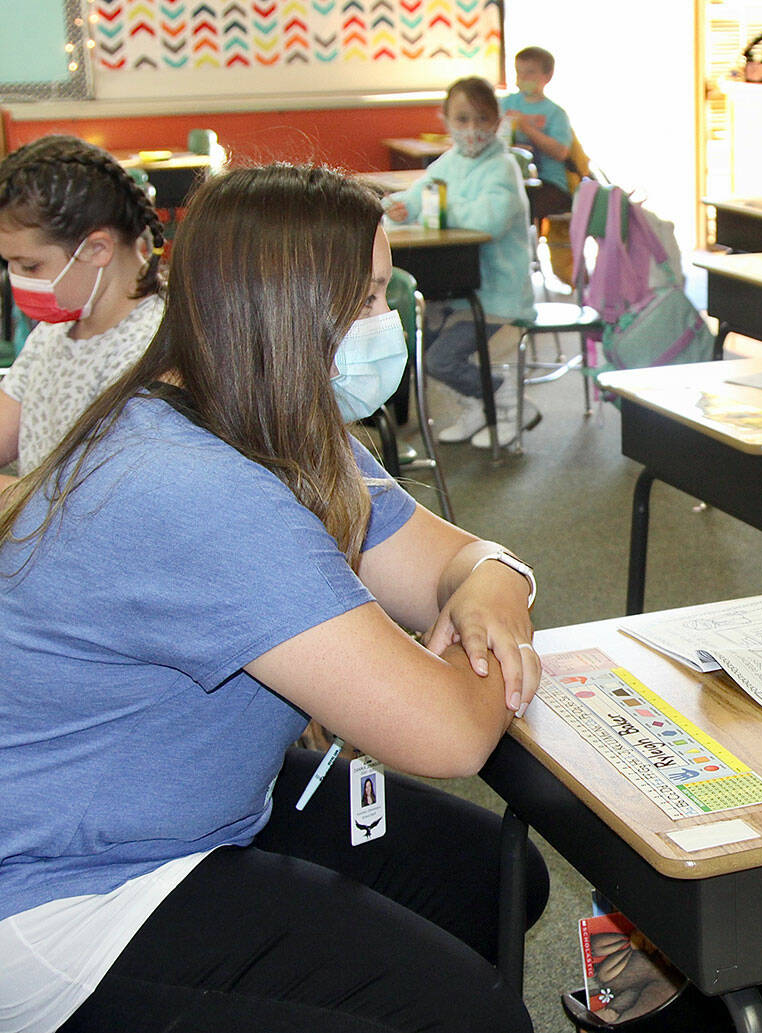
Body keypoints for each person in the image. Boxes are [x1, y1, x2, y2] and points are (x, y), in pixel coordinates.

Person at [0, 163, 549, 1033]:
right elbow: (451, 730)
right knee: (472, 1019)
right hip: (64, 897)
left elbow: (462, 559)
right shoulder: (188, 486)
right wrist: (489, 622)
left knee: (491, 875)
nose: (386, 323)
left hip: (186, 807)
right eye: (365, 299)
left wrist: (492, 584)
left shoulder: (274, 426)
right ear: (284, 312)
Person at [0, 134, 166, 486]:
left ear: (97, 249)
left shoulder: (153, 349)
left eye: (29, 266)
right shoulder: (58, 328)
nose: (16, 279)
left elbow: (85, 505)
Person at [386, 77, 537, 449]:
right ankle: (477, 405)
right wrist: (401, 210)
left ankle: (508, 401)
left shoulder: (503, 167)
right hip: (457, 292)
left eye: (482, 120)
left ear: (498, 122)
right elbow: (420, 196)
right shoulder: (448, 163)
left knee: (440, 360)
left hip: (496, 296)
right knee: (422, 350)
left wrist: (439, 206)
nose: (472, 130)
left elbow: (490, 219)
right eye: (462, 119)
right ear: (446, 120)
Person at [501, 45, 575, 223]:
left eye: (530, 72)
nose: (523, 77)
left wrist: (527, 128)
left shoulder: (555, 113)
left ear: (547, 77)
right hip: (510, 177)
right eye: (519, 72)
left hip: (548, 183)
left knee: (519, 206)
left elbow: (561, 152)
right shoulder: (505, 104)